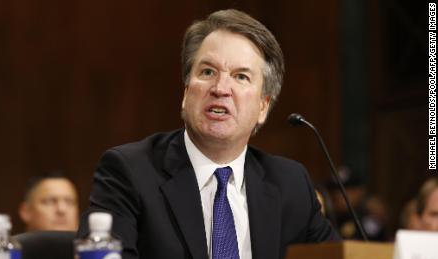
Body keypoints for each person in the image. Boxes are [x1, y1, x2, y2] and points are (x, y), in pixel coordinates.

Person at [78, 9, 339, 259]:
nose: (220, 88)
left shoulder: (290, 185)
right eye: (207, 72)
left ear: (263, 106)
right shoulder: (130, 172)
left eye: (240, 77)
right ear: (185, 93)